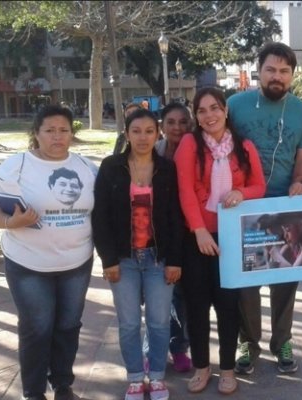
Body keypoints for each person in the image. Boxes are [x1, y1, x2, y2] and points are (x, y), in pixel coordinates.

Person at [0, 105, 98, 400]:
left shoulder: (87, 167)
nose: (57, 137)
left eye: (64, 130)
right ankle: (33, 391)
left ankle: (62, 384)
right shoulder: (17, 165)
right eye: (50, 130)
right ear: (36, 133)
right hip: (28, 265)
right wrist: (10, 222)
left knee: (69, 325)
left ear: (72, 133)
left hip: (77, 263)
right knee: (37, 327)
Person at [227, 41, 302, 375]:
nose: (277, 76)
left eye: (284, 71)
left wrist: (300, 180)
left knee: (285, 280)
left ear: (292, 75)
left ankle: (283, 341)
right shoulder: (235, 104)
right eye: (271, 70)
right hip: (245, 208)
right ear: (258, 71)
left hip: (285, 207)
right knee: (246, 282)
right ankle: (248, 343)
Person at [174, 87, 266, 394]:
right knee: (197, 306)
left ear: (225, 110)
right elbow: (185, 190)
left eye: (214, 108)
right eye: (202, 111)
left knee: (228, 306)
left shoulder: (244, 146)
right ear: (196, 117)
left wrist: (242, 193)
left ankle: (227, 369)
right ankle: (202, 367)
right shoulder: (189, 144)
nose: (209, 115)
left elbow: (259, 186)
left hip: (231, 236)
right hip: (196, 237)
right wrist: (199, 230)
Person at [92, 108, 185, 400]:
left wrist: (174, 261)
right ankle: (135, 377)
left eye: (148, 131)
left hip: (158, 259)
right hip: (124, 259)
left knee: (158, 323)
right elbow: (101, 217)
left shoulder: (167, 169)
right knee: (129, 323)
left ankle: (156, 377)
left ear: (157, 133)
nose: (143, 137)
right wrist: (108, 260)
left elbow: (174, 216)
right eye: (136, 131)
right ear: (127, 134)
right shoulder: (111, 167)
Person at [150, 102, 194, 373]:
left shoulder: (198, 149)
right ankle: (153, 350)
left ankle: (179, 348)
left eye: (183, 122)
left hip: (190, 233)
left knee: (182, 298)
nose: (177, 127)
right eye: (171, 122)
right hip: (158, 235)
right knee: (156, 297)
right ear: (162, 126)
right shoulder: (153, 152)